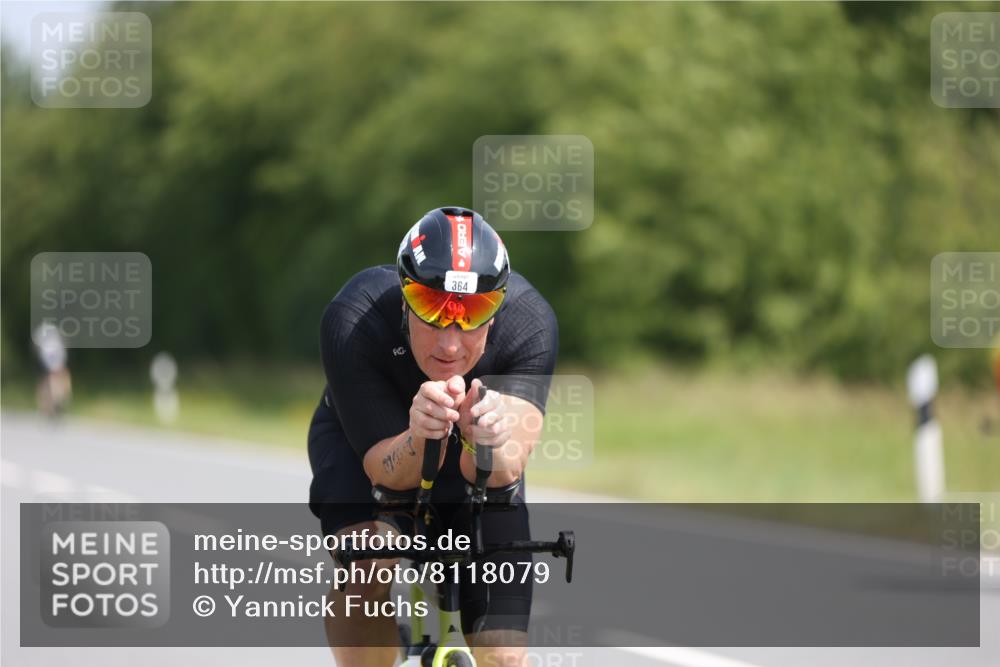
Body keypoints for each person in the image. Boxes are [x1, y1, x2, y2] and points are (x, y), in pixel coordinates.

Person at [308, 207, 559, 666]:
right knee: (367, 570)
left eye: (474, 313)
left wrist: (486, 438)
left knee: (502, 653)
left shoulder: (531, 323)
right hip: (366, 443)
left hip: (477, 471)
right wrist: (419, 435)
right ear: (404, 298)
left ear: (499, 306)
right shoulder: (355, 315)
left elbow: (506, 469)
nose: (450, 344)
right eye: (431, 309)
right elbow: (387, 474)